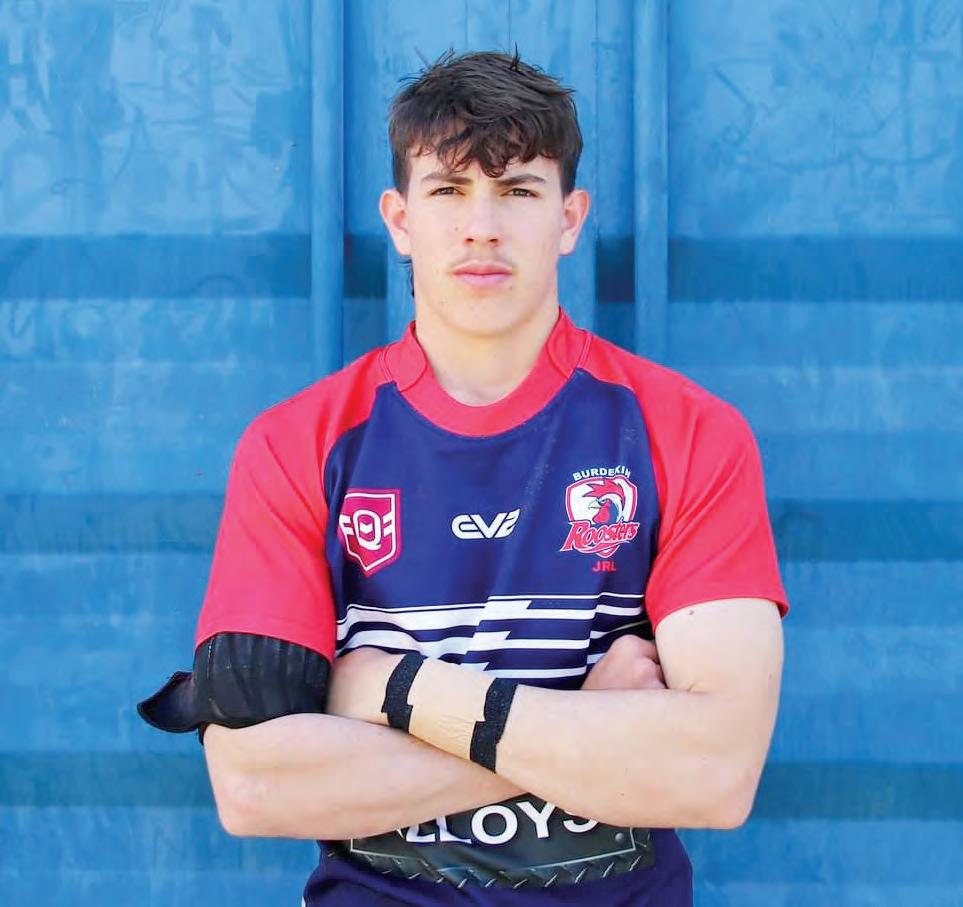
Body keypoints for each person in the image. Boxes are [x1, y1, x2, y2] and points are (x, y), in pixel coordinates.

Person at [139, 48, 787, 906]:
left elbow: (714, 775)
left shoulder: (687, 432)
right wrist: (585, 724)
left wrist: (394, 687)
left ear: (569, 218)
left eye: (517, 190)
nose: (481, 226)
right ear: (400, 219)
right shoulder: (296, 445)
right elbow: (255, 786)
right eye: (448, 190)